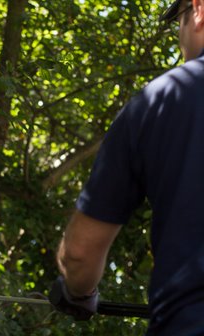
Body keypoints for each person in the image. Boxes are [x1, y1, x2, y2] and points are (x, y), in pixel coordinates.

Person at [48, 0, 204, 334]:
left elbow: (79, 253)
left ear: (199, 9)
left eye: (179, 20)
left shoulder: (159, 101)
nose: (179, 35)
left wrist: (78, 292)